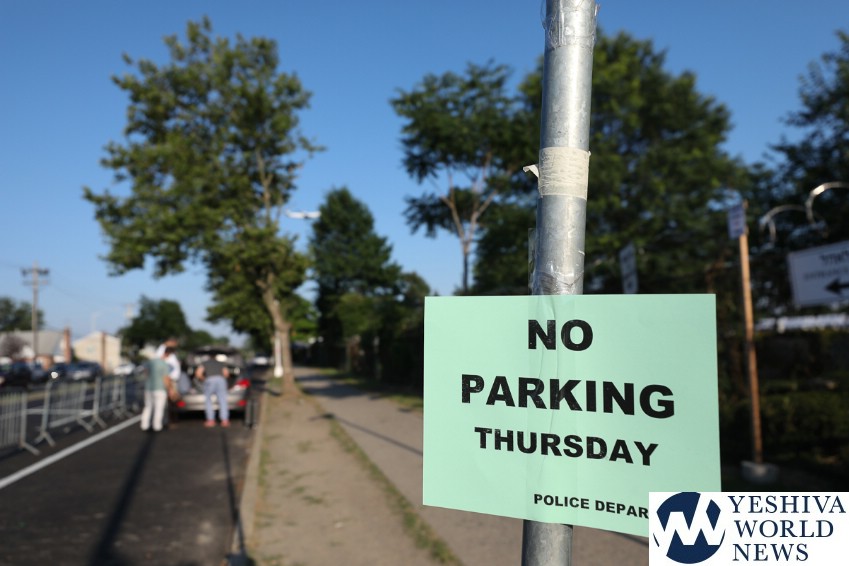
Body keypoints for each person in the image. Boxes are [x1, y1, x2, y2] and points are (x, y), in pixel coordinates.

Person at [140, 347, 176, 432]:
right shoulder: (164, 364)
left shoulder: (149, 362)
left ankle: (144, 425)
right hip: (160, 389)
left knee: (148, 407)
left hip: (149, 388)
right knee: (159, 408)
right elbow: (166, 378)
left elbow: (145, 373)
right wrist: (170, 389)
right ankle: (157, 426)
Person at [196, 355, 231, 428]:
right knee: (223, 400)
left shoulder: (205, 363)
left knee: (208, 400)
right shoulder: (221, 363)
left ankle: (210, 420)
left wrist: (204, 379)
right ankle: (225, 420)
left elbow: (198, 373)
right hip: (221, 380)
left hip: (210, 379)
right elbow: (226, 373)